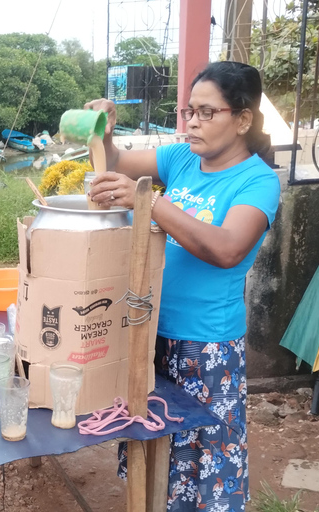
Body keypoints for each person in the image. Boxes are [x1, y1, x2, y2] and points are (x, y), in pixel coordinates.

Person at [86, 62, 280, 510]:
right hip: (152, 330)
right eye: (188, 111)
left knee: (202, 465)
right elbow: (115, 161)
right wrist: (107, 132)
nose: (191, 122)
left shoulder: (257, 181)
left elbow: (228, 248)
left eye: (206, 112)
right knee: (152, 445)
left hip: (205, 346)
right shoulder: (180, 159)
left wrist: (151, 202)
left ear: (244, 119)